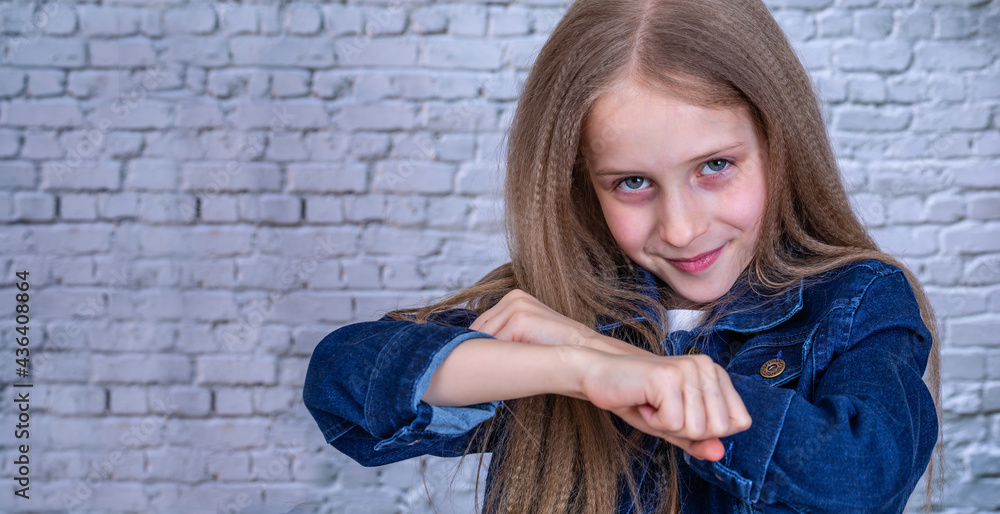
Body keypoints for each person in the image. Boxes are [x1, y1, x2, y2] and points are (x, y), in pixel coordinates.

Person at [303, 0, 941, 511]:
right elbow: (345, 381)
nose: (684, 228)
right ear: (584, 183)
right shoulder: (561, 307)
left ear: (781, 144)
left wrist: (620, 360)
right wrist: (580, 370)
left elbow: (864, 479)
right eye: (633, 183)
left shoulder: (856, 300)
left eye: (715, 166)